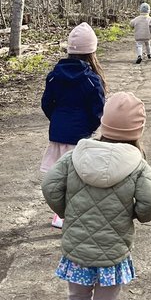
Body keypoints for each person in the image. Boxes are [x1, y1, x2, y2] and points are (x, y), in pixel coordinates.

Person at [42, 91, 151, 300]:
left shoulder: (76, 155)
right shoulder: (137, 165)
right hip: (112, 254)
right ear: (138, 131)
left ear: (103, 123)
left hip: (77, 251)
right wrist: (132, 214)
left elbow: (50, 186)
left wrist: (67, 212)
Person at [40, 22, 106, 230]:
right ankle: (73, 215)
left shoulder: (54, 75)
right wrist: (90, 127)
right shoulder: (91, 80)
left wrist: (57, 120)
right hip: (79, 136)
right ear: (92, 52)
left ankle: (59, 214)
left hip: (58, 133)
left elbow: (46, 103)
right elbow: (98, 109)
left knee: (60, 176)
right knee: (79, 177)